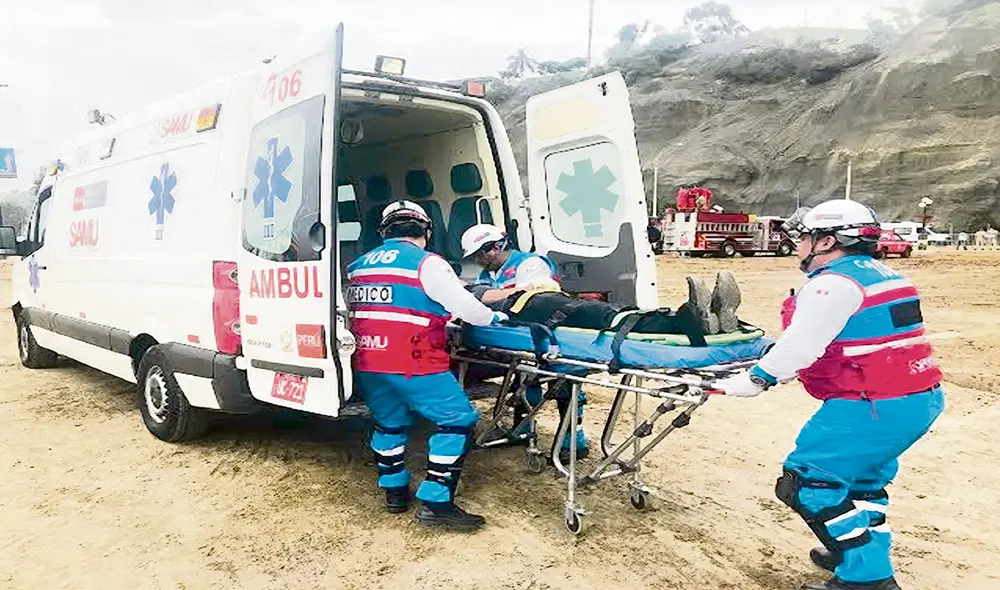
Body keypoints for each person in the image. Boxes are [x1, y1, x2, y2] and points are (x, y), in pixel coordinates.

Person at [713, 199, 945, 590]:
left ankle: (866, 576)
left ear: (826, 241)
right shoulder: (883, 273)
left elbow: (801, 346)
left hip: (873, 403)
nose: (799, 245)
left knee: (808, 482)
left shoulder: (832, 284)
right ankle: (854, 550)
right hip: (916, 397)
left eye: (805, 237)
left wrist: (753, 380)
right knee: (861, 484)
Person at [347, 201, 508, 531]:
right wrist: (494, 317)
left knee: (389, 424)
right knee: (457, 420)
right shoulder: (428, 264)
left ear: (383, 231)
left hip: (368, 360)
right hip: (414, 359)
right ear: (426, 231)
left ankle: (394, 493)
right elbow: (468, 307)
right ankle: (436, 503)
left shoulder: (358, 266)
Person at [459, 223, 588, 459]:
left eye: (480, 255)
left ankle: (574, 440)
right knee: (524, 381)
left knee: (564, 385)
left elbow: (530, 298)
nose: (477, 260)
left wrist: (478, 294)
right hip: (518, 338)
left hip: (551, 335)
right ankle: (522, 428)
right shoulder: (487, 274)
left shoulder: (531, 265)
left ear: (496, 247)